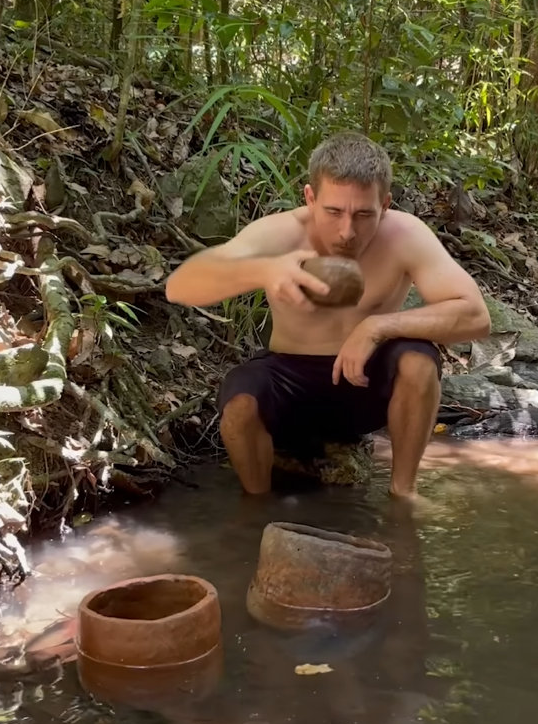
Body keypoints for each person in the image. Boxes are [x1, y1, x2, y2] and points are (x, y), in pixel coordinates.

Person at [164, 131, 491, 498]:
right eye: (333, 212)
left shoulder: (405, 235)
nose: (347, 231)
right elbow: (180, 287)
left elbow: (476, 316)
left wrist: (377, 327)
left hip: (366, 386)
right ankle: (255, 510)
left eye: (363, 214)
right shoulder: (282, 233)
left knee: (418, 360)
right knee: (239, 404)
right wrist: (263, 270)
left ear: (385, 204)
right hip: (289, 384)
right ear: (310, 197)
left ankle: (404, 494)